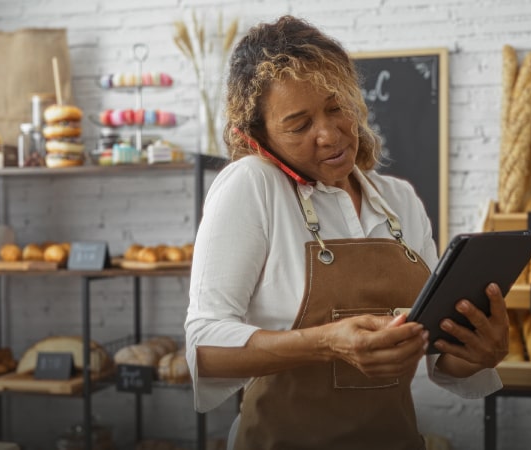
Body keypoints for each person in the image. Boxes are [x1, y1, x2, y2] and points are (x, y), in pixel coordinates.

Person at [185, 15, 508, 450]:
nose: (329, 133)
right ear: (258, 137)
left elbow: (442, 358)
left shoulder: (399, 200)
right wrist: (326, 344)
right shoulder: (253, 186)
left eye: (337, 107)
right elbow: (204, 346)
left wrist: (476, 350)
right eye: (299, 125)